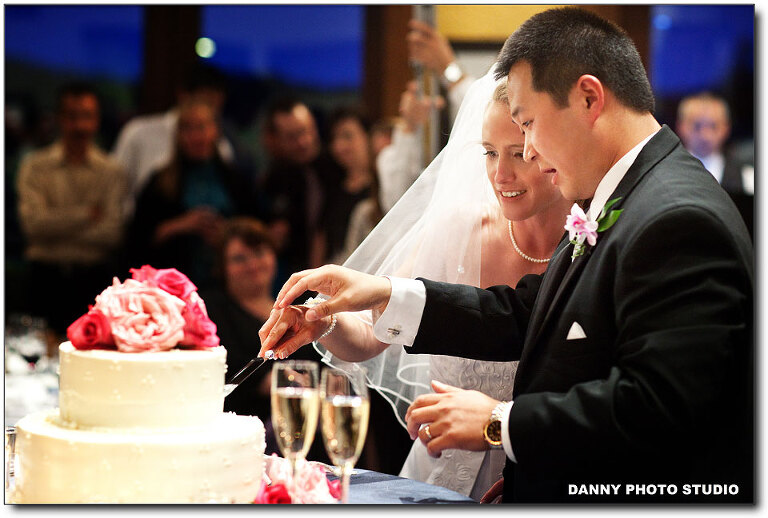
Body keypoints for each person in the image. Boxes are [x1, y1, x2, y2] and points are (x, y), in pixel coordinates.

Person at [259, 7, 753, 504]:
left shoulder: (677, 219)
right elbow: (527, 312)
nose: (530, 152)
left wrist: (499, 422)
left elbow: (659, 408)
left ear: (589, 98)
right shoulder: (625, 196)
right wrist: (383, 292)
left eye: (529, 125)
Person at [256, 72, 571, 498]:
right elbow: (372, 333)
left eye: (519, 154)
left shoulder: (591, 248)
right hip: (433, 473)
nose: (500, 174)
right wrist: (324, 320)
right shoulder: (458, 229)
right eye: (489, 152)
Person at [16, 82, 126, 335]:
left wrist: (55, 227)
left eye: (87, 116)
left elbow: (112, 233)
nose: (80, 125)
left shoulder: (111, 170)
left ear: (97, 120)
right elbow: (33, 226)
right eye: (72, 116)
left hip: (94, 280)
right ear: (60, 119)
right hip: (44, 279)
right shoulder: (35, 166)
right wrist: (87, 215)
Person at [127, 98, 258, 288]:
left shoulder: (235, 178)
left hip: (228, 282)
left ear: (215, 130)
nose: (196, 136)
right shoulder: (160, 181)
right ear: (178, 135)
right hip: (173, 281)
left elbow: (255, 229)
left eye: (202, 127)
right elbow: (137, 238)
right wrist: (182, 225)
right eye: (188, 129)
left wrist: (226, 234)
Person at [112, 64, 240, 216]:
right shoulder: (138, 133)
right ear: (183, 96)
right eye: (204, 102)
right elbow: (116, 189)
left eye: (215, 106)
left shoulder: (221, 147)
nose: (197, 136)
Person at [260, 97, 344, 283]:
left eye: (306, 131)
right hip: (293, 275)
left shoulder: (338, 166)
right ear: (277, 140)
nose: (303, 142)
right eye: (291, 137)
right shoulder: (273, 179)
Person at [676, 91, 754, 236]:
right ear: (681, 127)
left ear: (726, 128)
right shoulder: (667, 174)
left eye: (713, 126)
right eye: (697, 126)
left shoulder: (748, 178)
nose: (705, 135)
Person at [313, 107, 375, 266]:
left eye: (347, 136)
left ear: (367, 136)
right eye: (334, 139)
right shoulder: (330, 187)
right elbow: (321, 240)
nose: (339, 146)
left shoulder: (381, 188)